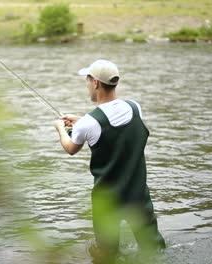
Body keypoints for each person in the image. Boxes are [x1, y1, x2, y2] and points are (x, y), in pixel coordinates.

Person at [54, 59, 166, 263]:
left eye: (87, 80)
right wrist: (81, 121)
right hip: (138, 195)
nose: (87, 85)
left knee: (108, 256)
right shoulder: (135, 108)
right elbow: (116, 126)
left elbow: (71, 148)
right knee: (153, 250)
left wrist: (61, 128)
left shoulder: (88, 123)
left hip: (107, 201)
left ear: (95, 83)